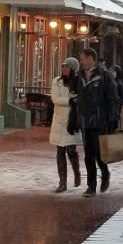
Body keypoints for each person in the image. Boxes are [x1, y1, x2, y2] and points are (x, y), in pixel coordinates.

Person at [77, 48, 119, 197]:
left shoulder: (104, 76)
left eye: (82, 59)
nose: (81, 62)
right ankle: (91, 186)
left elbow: (113, 98)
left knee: (99, 153)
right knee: (88, 154)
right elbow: (79, 99)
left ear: (90, 59)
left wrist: (113, 118)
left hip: (100, 120)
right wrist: (75, 118)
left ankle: (105, 172)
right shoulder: (80, 76)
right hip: (85, 121)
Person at [50, 57, 83, 192]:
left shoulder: (79, 82)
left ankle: (77, 173)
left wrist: (77, 100)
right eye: (63, 66)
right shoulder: (56, 82)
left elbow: (82, 97)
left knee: (71, 151)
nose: (63, 68)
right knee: (60, 151)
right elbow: (55, 99)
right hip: (59, 121)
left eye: (67, 66)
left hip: (72, 121)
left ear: (73, 69)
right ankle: (62, 182)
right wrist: (70, 100)